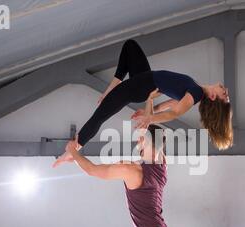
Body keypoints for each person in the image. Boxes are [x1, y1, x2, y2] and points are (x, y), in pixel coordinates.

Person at [53, 38, 233, 168]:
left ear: (213, 97)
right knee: (130, 46)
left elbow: (175, 113)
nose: (225, 90)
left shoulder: (196, 93)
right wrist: (151, 111)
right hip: (145, 80)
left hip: (140, 87)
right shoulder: (195, 92)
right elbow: (167, 105)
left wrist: (150, 119)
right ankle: (111, 88)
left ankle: (73, 150)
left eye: (224, 94)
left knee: (101, 114)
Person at [64, 113, 172, 227]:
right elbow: (158, 136)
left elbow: (92, 170)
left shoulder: (131, 170)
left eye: (140, 138)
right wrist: (150, 110)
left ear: (146, 141)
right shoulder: (161, 166)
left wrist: (72, 151)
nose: (137, 141)